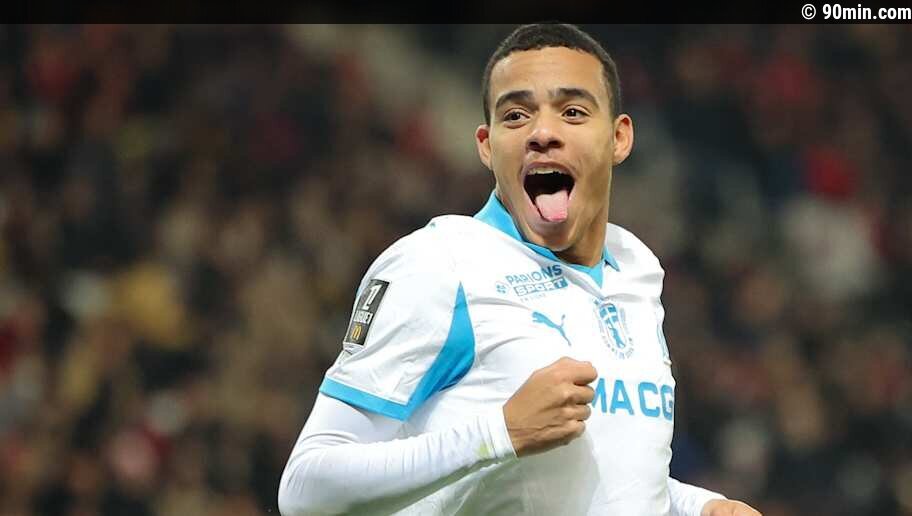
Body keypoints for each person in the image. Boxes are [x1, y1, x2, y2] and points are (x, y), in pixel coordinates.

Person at [278, 23, 762, 516]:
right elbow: (305, 489)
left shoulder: (635, 268)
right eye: (515, 115)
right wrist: (499, 433)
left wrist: (698, 506)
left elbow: (605, 475)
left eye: (572, 112)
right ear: (486, 145)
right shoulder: (440, 264)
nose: (542, 133)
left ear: (619, 138)